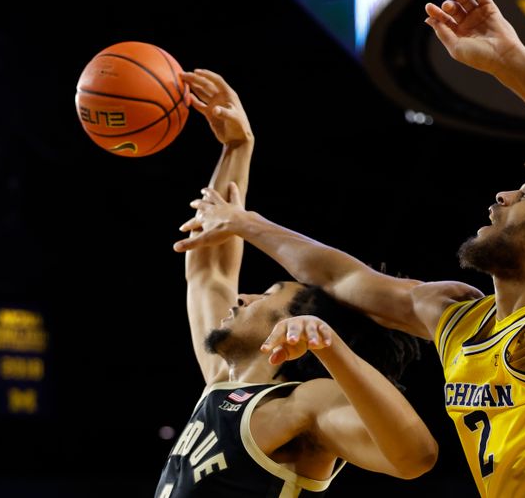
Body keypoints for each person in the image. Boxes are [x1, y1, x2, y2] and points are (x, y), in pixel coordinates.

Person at [173, 0, 525, 498]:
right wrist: (248, 223)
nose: (502, 198)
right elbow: (340, 277)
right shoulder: (457, 318)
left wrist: (513, 64)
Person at [155, 68, 478, 498]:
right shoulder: (221, 381)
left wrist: (333, 348)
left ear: (296, 326)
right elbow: (208, 269)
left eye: (269, 295)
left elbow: (415, 456)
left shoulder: (304, 403)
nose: (244, 296)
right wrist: (237, 146)